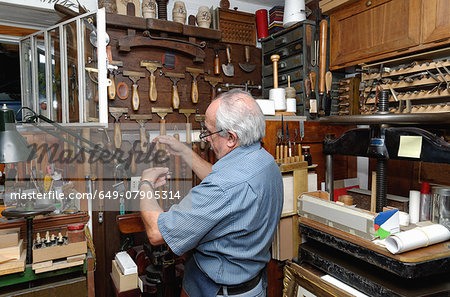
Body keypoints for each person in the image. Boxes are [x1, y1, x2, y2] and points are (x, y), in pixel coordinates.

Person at [139, 89, 283, 297]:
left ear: (231, 138)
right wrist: (184, 151)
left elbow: (156, 232)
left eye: (209, 132)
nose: (206, 139)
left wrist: (145, 184)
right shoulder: (266, 162)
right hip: (253, 287)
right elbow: (228, 187)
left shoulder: (224, 187)